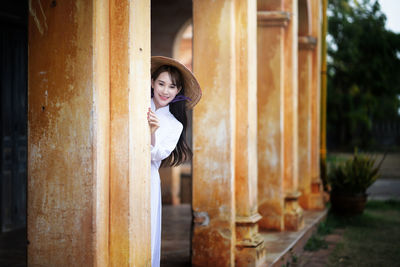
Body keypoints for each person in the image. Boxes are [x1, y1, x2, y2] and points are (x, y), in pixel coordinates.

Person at [147, 56, 201, 267]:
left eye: (172, 86)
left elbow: (157, 154)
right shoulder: (138, 104)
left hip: (148, 180)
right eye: (161, 83)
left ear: (178, 91)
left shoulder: (174, 125)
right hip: (119, 173)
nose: (165, 91)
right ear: (152, 83)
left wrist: (152, 131)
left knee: (146, 232)